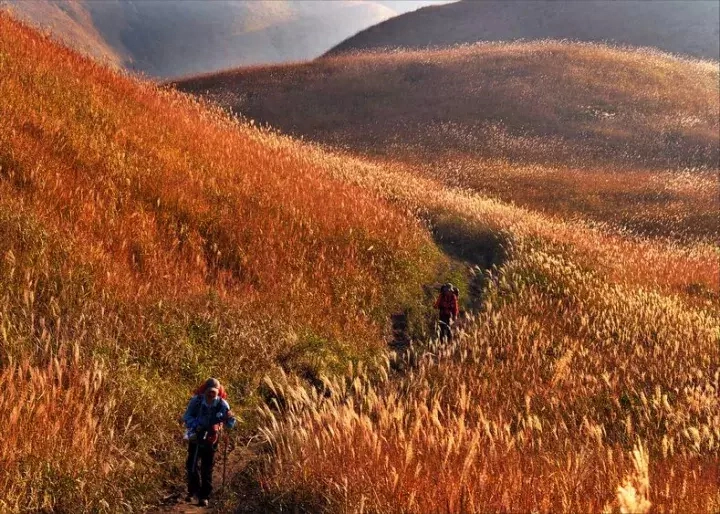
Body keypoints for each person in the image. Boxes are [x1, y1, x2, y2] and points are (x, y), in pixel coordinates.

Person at [183, 377, 236, 507]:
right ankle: (194, 490)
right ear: (205, 390)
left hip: (212, 438)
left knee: (207, 467)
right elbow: (187, 416)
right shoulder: (197, 401)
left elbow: (230, 424)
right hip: (196, 435)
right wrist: (196, 424)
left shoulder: (222, 404)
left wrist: (230, 418)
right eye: (209, 391)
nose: (211, 394)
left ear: (218, 392)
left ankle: (204, 496)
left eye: (214, 392)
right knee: (191, 464)